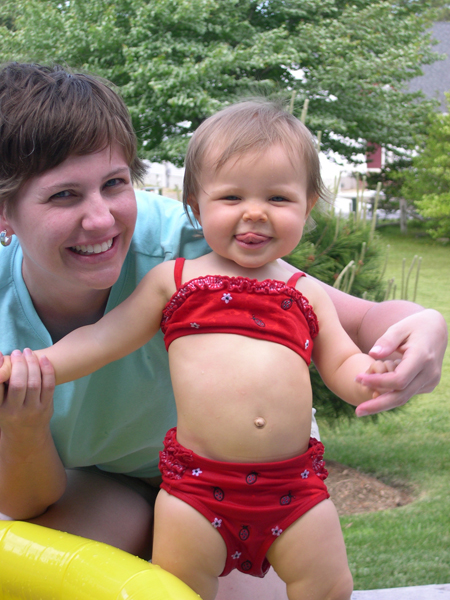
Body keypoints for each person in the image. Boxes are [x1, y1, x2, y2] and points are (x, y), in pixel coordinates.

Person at [0, 63, 446, 600]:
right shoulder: (175, 270)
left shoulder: (206, 241)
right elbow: (27, 501)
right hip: (116, 488)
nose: (101, 219)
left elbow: (364, 321)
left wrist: (421, 325)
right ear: (5, 211)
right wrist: (21, 417)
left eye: (115, 183)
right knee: (40, 583)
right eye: (63, 195)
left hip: (268, 486)